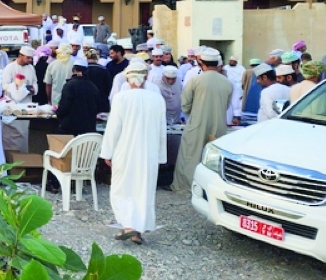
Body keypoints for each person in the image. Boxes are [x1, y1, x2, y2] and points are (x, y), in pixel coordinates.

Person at [100, 63, 168, 246]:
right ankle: (138, 231)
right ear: (145, 78)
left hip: (125, 151)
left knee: (123, 189)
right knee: (143, 191)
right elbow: (163, 131)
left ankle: (128, 226)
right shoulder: (157, 99)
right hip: (149, 154)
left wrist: (107, 152)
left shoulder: (121, 98)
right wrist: (161, 156)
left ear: (128, 78)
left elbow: (113, 128)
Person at [171, 48, 233, 193]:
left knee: (190, 156)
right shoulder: (227, 83)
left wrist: (195, 113)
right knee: (214, 159)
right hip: (218, 124)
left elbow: (185, 105)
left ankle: (186, 187)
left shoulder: (195, 80)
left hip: (197, 123)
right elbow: (226, 105)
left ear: (201, 63)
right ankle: (211, 190)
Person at [56, 57, 105, 136]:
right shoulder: (93, 87)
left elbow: (64, 106)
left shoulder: (69, 85)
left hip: (70, 128)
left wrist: (58, 114)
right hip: (88, 129)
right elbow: (98, 107)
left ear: (74, 70)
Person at [1, 46, 37, 152]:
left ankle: (23, 157)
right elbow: (4, 84)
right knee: (10, 134)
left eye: (31, 58)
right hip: (12, 104)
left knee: (23, 133)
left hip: (26, 104)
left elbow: (34, 82)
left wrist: (33, 90)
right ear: (20, 56)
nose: (30, 60)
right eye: (28, 58)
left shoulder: (31, 68)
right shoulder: (10, 67)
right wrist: (15, 88)